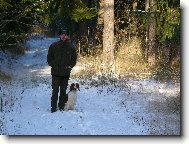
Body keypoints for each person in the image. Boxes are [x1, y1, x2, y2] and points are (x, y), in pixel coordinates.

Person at [47, 29, 77, 113]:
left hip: (65, 73)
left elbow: (74, 59)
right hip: (56, 73)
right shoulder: (53, 46)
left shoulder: (71, 47)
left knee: (63, 92)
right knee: (55, 91)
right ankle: (53, 108)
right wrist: (54, 65)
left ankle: (61, 107)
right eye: (62, 34)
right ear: (59, 36)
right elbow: (49, 58)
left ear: (67, 36)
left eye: (65, 34)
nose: (63, 36)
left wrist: (69, 66)